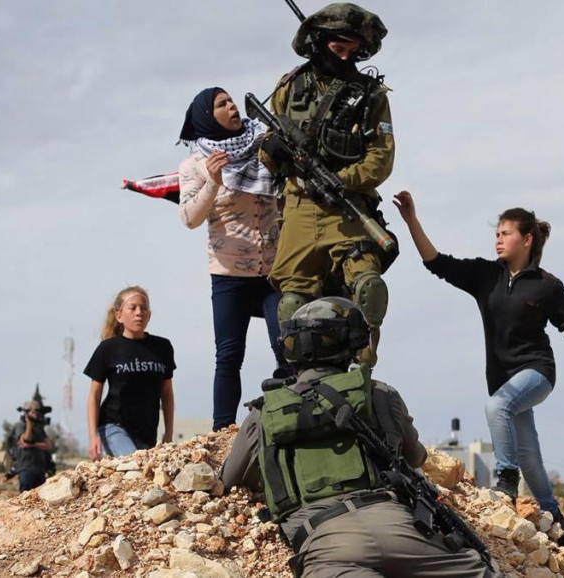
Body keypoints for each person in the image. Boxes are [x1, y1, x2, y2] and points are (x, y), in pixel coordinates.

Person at [393, 191, 564, 551]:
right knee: (529, 453)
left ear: (527, 239)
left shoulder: (547, 285)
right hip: (502, 380)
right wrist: (411, 221)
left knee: (497, 407)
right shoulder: (486, 276)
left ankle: (505, 479)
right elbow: (437, 263)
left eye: (505, 233)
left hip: (537, 372)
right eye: (496, 234)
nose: (498, 239)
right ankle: (556, 519)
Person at [219, 297, 496, 577]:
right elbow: (415, 457)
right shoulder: (381, 393)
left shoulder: (264, 412)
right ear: (353, 342)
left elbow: (228, 478)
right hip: (400, 531)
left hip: (325, 541)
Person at [260, 2, 395, 367]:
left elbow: (381, 158)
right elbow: (268, 145)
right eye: (338, 48)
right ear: (319, 43)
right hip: (299, 206)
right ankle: (299, 375)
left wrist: (341, 180)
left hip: (348, 206)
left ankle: (362, 370)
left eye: (353, 49)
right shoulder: (290, 86)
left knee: (368, 288)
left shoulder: (370, 94)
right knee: (292, 302)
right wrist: (270, 150)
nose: (346, 56)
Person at [178, 87, 289, 430]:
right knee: (228, 355)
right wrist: (212, 183)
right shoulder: (195, 164)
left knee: (287, 346)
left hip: (274, 270)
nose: (232, 106)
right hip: (228, 274)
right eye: (221, 104)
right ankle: (222, 431)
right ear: (207, 117)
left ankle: (291, 418)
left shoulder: (265, 145)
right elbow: (189, 218)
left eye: (231, 101)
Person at [84, 286, 175, 459]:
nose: (139, 313)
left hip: (147, 432)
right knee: (136, 462)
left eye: (144, 308)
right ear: (119, 315)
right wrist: (92, 437)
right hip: (113, 425)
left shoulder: (163, 347)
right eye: (132, 308)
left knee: (145, 469)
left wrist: (169, 432)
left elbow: (167, 393)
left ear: (149, 315)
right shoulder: (107, 348)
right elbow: (94, 396)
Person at [4, 400, 54, 492]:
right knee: (26, 496)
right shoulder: (20, 425)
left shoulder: (39, 428)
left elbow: (48, 445)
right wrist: (29, 424)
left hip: (40, 469)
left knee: (39, 496)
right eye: (34, 411)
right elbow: (25, 439)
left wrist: (33, 445)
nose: (37, 413)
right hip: (26, 469)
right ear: (26, 412)